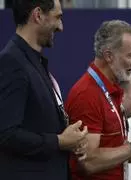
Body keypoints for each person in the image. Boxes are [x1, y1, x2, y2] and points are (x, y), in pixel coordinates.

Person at [0, 0, 88, 179]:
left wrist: (69, 142)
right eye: (58, 17)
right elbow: (6, 134)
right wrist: (59, 142)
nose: (61, 27)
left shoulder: (32, 61)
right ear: (38, 15)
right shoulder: (11, 62)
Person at [65, 20, 131, 180]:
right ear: (108, 55)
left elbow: (115, 153)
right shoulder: (87, 94)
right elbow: (89, 161)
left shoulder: (109, 88)